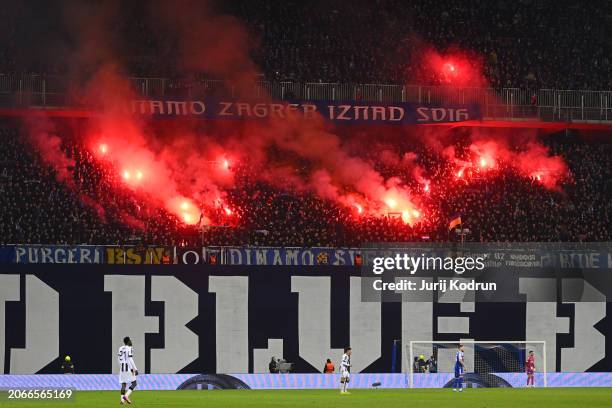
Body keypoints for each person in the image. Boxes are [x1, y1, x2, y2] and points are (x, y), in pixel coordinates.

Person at [118, 336, 138, 404]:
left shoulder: (120, 348)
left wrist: (121, 366)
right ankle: (126, 396)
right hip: (129, 368)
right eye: (130, 340)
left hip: (122, 368)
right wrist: (134, 369)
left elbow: (119, 359)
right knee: (134, 383)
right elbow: (130, 359)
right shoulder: (130, 348)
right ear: (128, 341)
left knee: (123, 384)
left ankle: (122, 401)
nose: (131, 341)